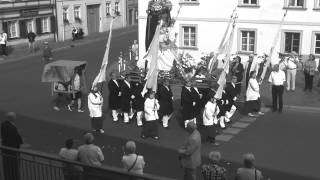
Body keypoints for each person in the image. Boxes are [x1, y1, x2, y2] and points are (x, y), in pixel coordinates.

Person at [1, 112, 23, 180]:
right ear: (12, 118)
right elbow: (18, 138)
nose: (15, 118)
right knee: (14, 167)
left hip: (5, 150)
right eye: (14, 117)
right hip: (13, 151)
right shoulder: (12, 127)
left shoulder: (3, 125)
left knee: (7, 167)